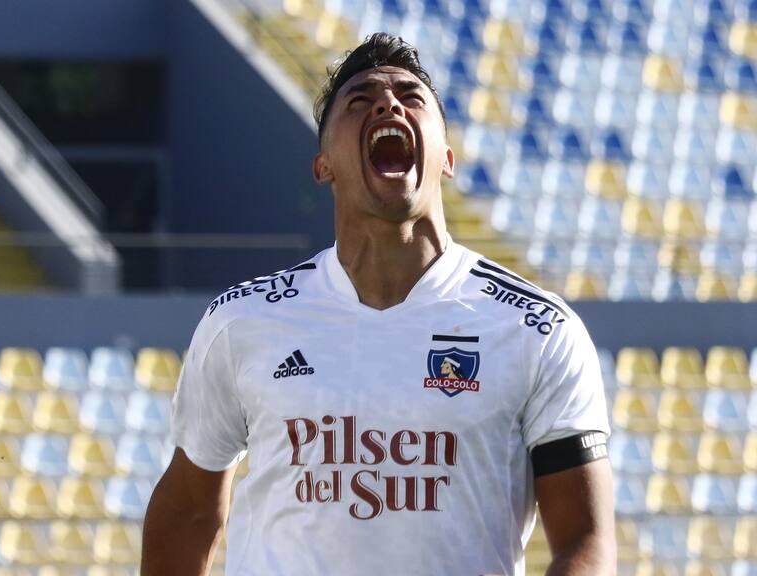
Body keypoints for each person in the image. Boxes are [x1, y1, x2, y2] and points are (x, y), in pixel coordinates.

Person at [142, 32, 615, 576]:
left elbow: (585, 538)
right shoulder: (242, 322)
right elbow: (188, 512)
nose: (390, 104)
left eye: (411, 98)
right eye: (361, 99)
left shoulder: (538, 329)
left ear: (447, 159)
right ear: (324, 166)